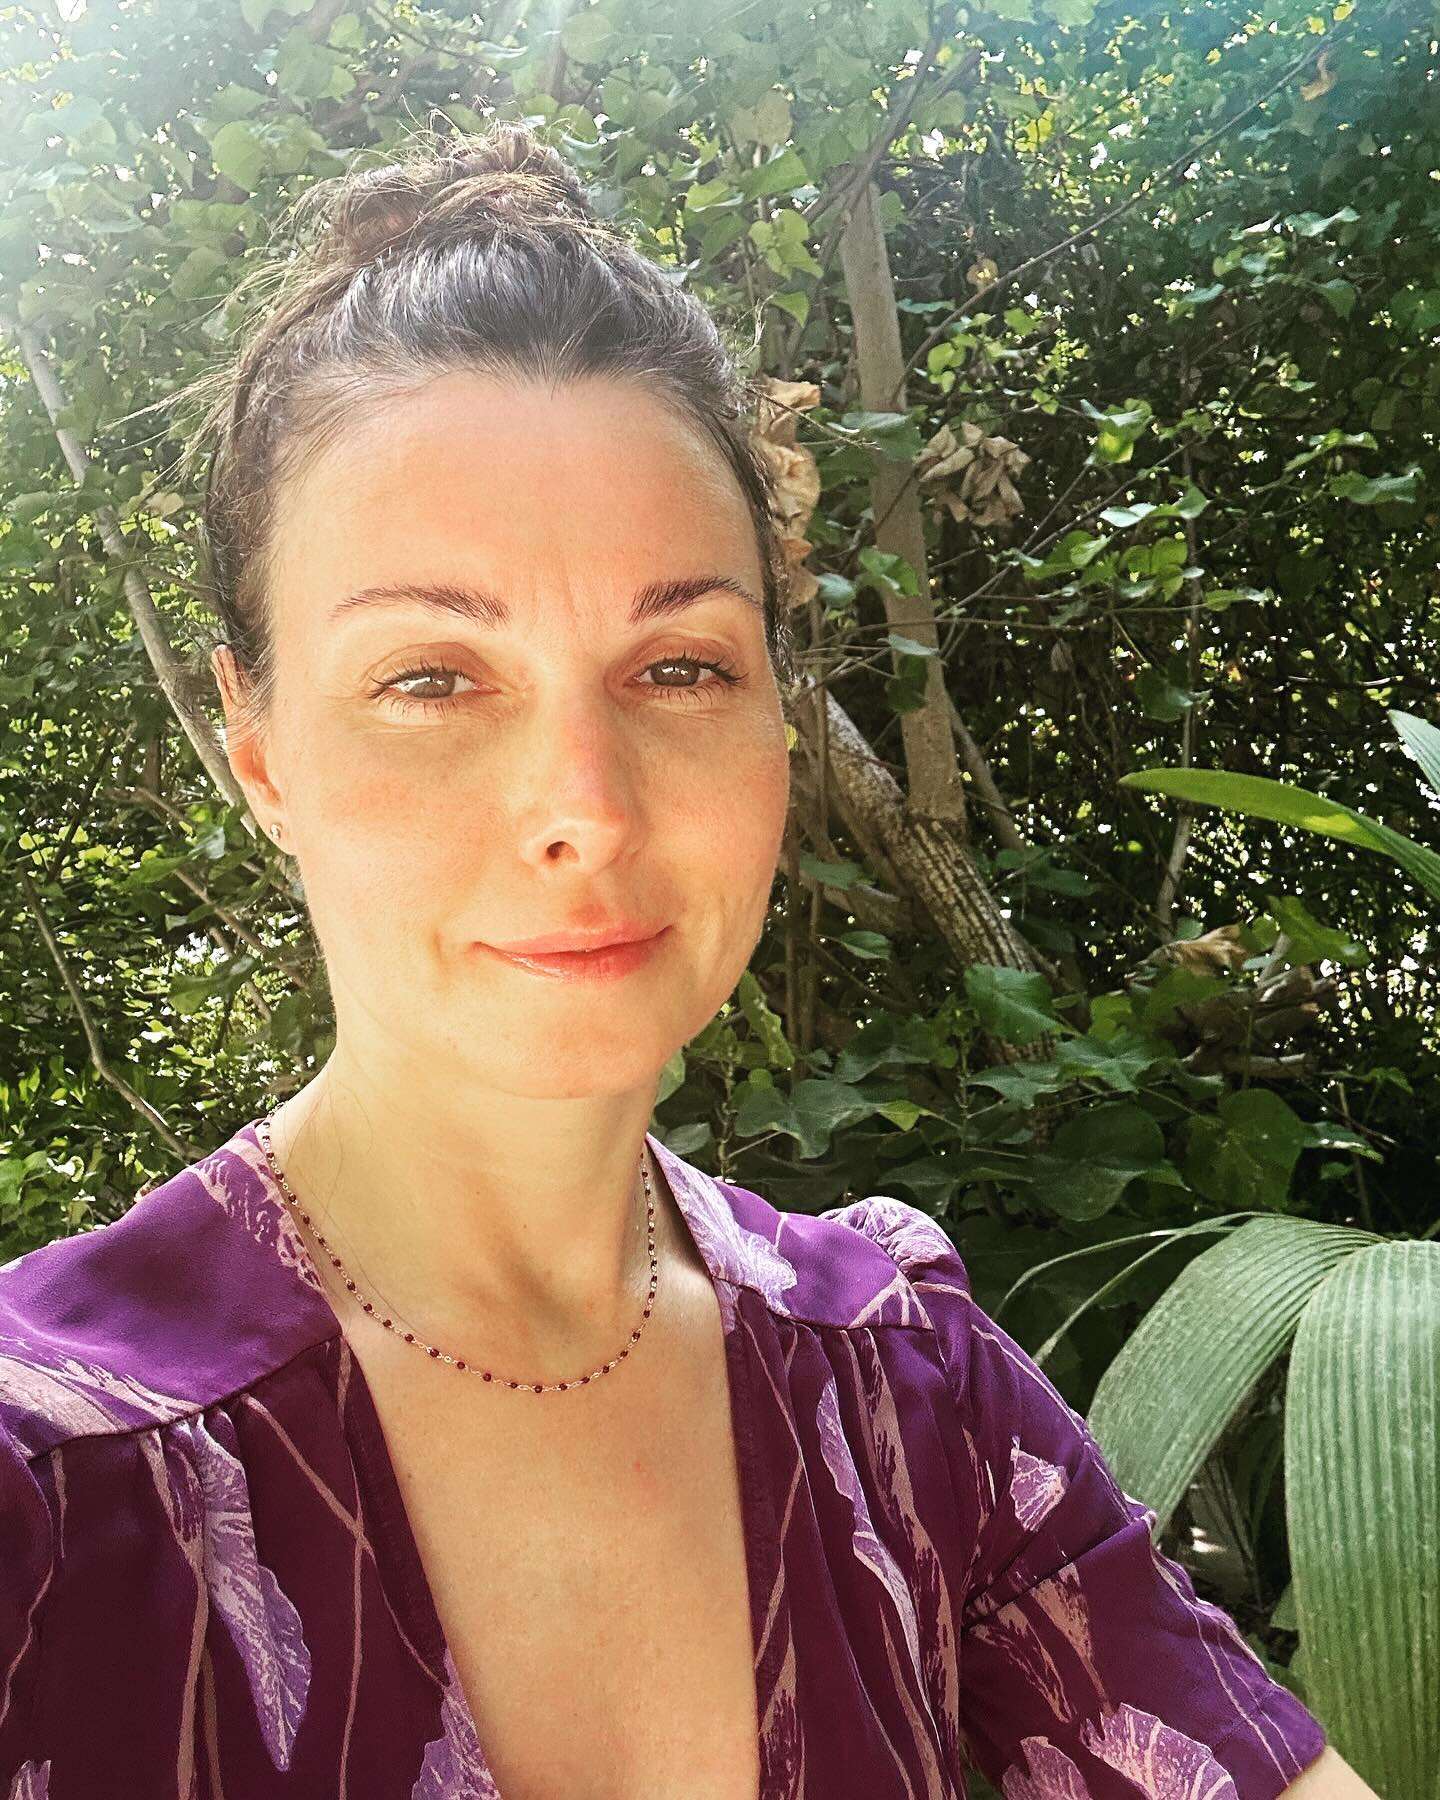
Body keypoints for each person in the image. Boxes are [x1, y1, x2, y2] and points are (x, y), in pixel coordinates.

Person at [0, 120, 1335, 1799]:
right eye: (430, 678)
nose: (586, 807)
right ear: (258, 752)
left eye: (682, 666)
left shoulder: (901, 1381)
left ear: (779, 705)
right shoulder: (53, 1479)